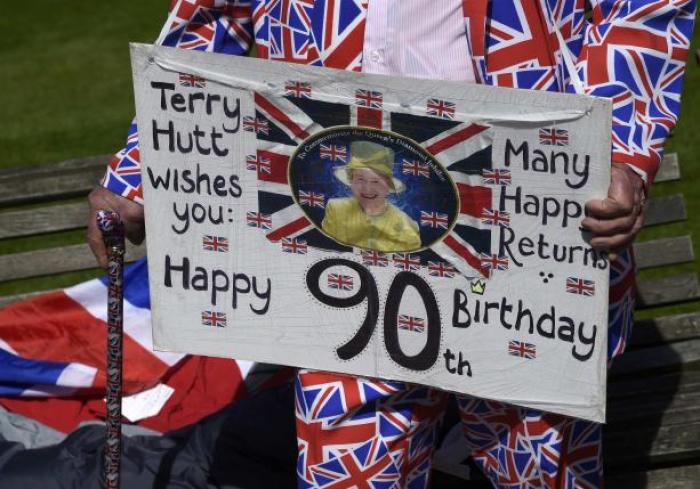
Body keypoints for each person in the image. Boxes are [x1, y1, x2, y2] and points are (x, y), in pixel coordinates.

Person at [88, 1, 696, 487]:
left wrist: (618, 151)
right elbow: (214, 15)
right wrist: (139, 168)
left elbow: (641, 9)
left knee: (533, 467)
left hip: (524, 212)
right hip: (329, 217)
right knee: (349, 462)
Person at [321, 140, 421, 252]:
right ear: (350, 181)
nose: (367, 188)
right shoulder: (335, 209)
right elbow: (325, 247)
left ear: (388, 186)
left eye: (375, 181)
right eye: (360, 179)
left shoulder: (406, 226)